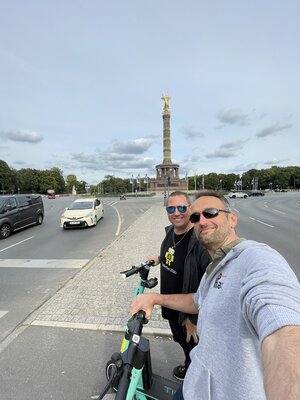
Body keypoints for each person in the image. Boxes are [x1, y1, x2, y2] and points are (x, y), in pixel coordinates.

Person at [132, 190, 300, 399]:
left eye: (210, 213)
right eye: (196, 217)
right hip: (196, 383)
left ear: (232, 219)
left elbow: (281, 328)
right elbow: (197, 300)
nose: (202, 220)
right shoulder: (217, 266)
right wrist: (154, 298)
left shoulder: (256, 259)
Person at [147, 191, 211, 381]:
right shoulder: (170, 233)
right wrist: (158, 259)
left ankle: (194, 378)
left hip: (188, 315)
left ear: (190, 208)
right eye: (171, 208)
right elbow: (174, 255)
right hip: (171, 307)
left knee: (195, 348)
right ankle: (188, 363)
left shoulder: (199, 242)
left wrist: (193, 318)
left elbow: (208, 285)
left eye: (182, 208)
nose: (177, 213)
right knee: (182, 342)